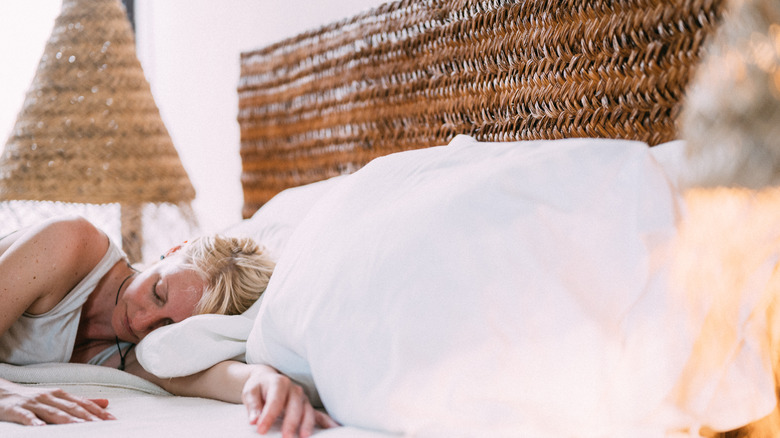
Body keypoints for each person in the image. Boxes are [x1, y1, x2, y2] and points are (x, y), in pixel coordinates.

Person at [0, 215, 336, 436]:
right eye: (158, 293)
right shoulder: (72, 242)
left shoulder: (136, 357)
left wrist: (263, 377)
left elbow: (206, 377)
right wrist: (6, 393)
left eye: (166, 325)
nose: (141, 321)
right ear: (174, 250)